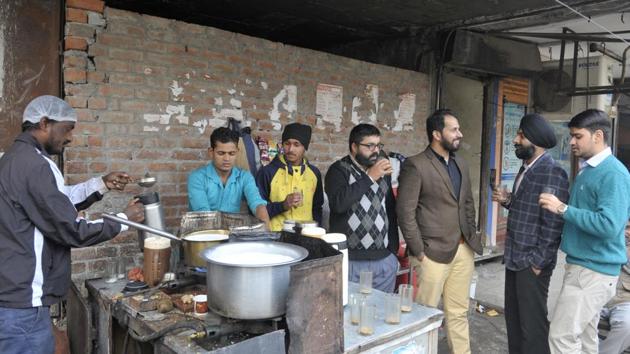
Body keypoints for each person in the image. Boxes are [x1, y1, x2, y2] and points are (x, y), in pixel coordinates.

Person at [0, 95, 145, 354]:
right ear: (45, 123)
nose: (70, 138)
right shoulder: (32, 165)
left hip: (17, 298)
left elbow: (56, 203)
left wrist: (101, 184)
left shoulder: (21, 158)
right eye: (67, 129)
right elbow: (70, 229)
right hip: (23, 303)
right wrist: (123, 220)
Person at [539, 109, 630, 354]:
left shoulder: (614, 173)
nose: (571, 142)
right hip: (584, 267)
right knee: (587, 338)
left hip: (593, 271)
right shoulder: (589, 169)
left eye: (578, 136)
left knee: (561, 337)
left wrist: (562, 208)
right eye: (571, 136)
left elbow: (609, 225)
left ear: (598, 135)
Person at [396, 109, 483, 354]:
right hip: (431, 253)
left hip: (463, 249)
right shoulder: (416, 165)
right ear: (436, 134)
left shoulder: (461, 163)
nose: (460, 134)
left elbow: (466, 203)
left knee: (458, 312)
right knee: (425, 314)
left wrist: (471, 237)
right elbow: (405, 212)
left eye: (459, 129)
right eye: (454, 129)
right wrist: (419, 252)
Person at [492, 113, 569, 354]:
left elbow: (552, 222)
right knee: (514, 322)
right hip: (515, 257)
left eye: (521, 136)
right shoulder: (526, 168)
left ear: (534, 140)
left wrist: (539, 262)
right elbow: (529, 209)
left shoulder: (552, 171)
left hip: (531, 262)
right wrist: (508, 201)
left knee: (532, 327)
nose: (515, 140)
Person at [325, 124, 399, 293]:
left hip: (383, 261)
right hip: (351, 261)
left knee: (380, 314)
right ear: (354, 146)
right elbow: (338, 205)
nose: (375, 150)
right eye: (369, 146)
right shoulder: (338, 170)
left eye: (378, 145)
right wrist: (370, 177)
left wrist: (392, 253)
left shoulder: (382, 170)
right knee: (350, 315)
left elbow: (389, 210)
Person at [188, 127, 270, 224]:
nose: (227, 159)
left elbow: (257, 203)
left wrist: (267, 230)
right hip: (203, 232)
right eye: (221, 153)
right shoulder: (197, 178)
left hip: (232, 233)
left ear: (237, 153)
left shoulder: (244, 177)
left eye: (231, 153)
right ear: (211, 152)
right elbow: (204, 214)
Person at [256, 122, 324, 231]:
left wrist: (316, 231)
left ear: (305, 147)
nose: (291, 149)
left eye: (297, 144)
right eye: (287, 143)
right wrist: (283, 205)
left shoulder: (314, 174)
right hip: (277, 236)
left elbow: (317, 208)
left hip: (306, 235)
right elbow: (257, 210)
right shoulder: (267, 172)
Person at [598, 226, 630, 354]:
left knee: (627, 324)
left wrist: (618, 241)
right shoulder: (614, 218)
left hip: (624, 297)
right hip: (596, 290)